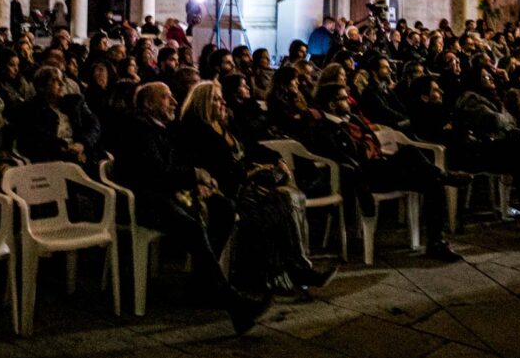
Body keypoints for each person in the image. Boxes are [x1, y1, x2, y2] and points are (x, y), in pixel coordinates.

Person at [107, 83, 271, 334]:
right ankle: (232, 301)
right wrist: (195, 175)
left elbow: (175, 165)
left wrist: (197, 182)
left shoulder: (162, 128)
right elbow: (157, 172)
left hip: (168, 193)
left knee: (224, 208)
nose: (173, 102)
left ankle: (201, 285)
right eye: (166, 98)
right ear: (149, 104)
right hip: (146, 200)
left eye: (173, 97)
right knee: (192, 228)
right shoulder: (139, 128)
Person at [178, 82, 333, 294]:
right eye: (215, 98)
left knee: (287, 200)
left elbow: (253, 146)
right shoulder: (196, 131)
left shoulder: (225, 125)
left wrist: (277, 159)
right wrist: (253, 173)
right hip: (228, 189)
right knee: (279, 205)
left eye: (221, 97)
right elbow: (219, 170)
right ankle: (290, 272)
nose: (222, 102)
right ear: (202, 102)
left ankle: (295, 269)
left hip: (247, 183)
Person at [310, 82, 468, 262]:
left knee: (431, 180)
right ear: (332, 104)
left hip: (380, 165)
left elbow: (371, 141)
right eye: (344, 98)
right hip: (365, 174)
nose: (349, 101)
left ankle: (437, 242)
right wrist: (366, 146)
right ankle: (444, 176)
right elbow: (349, 155)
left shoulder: (352, 119)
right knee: (416, 160)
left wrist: (367, 144)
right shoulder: (326, 128)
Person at [13, 66, 103, 169]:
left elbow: (94, 124)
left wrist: (82, 143)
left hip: (83, 152)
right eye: (55, 80)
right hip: (52, 160)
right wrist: (66, 148)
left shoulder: (75, 102)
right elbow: (35, 137)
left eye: (62, 80)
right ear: (42, 86)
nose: (62, 84)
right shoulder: (30, 109)